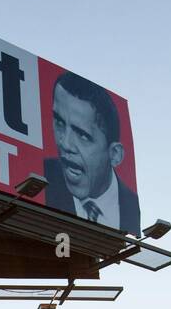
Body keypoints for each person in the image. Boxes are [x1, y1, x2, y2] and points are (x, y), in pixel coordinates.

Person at [43, 71, 140, 235]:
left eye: (82, 135)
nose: (65, 143)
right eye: (59, 122)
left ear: (115, 154)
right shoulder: (40, 180)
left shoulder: (130, 207)